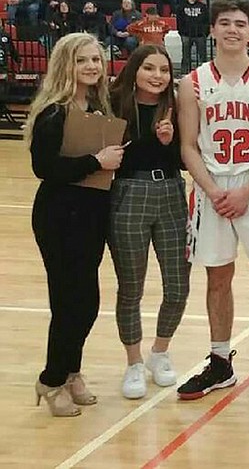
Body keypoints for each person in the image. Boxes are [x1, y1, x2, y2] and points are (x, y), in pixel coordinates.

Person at [175, 0, 249, 400]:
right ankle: (220, 361)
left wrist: (247, 190)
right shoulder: (191, 84)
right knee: (217, 278)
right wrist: (212, 190)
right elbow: (188, 145)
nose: (232, 30)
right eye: (224, 22)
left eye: (240, 24)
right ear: (212, 30)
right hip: (212, 189)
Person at [27, 33, 119, 417]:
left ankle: (71, 371)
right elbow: (44, 168)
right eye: (83, 60)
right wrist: (95, 162)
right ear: (67, 64)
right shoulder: (54, 112)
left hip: (91, 214)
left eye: (96, 60)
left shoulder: (98, 107)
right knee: (69, 304)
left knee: (88, 302)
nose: (92, 67)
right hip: (59, 215)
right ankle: (50, 380)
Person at [107, 45, 190, 400]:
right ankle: (133, 362)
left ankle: (159, 352)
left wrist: (172, 142)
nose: (157, 76)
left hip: (171, 192)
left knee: (178, 285)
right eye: (149, 68)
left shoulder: (176, 106)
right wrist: (151, 140)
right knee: (131, 287)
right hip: (129, 193)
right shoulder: (113, 103)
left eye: (164, 70)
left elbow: (185, 160)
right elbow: (115, 157)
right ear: (134, 69)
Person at [176, 0, 210, 74]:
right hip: (186, 34)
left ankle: (205, 73)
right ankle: (184, 73)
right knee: (185, 56)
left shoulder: (202, 6)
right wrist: (182, 32)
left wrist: (205, 33)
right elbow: (179, 20)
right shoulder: (182, 6)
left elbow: (207, 20)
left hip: (200, 35)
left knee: (203, 56)